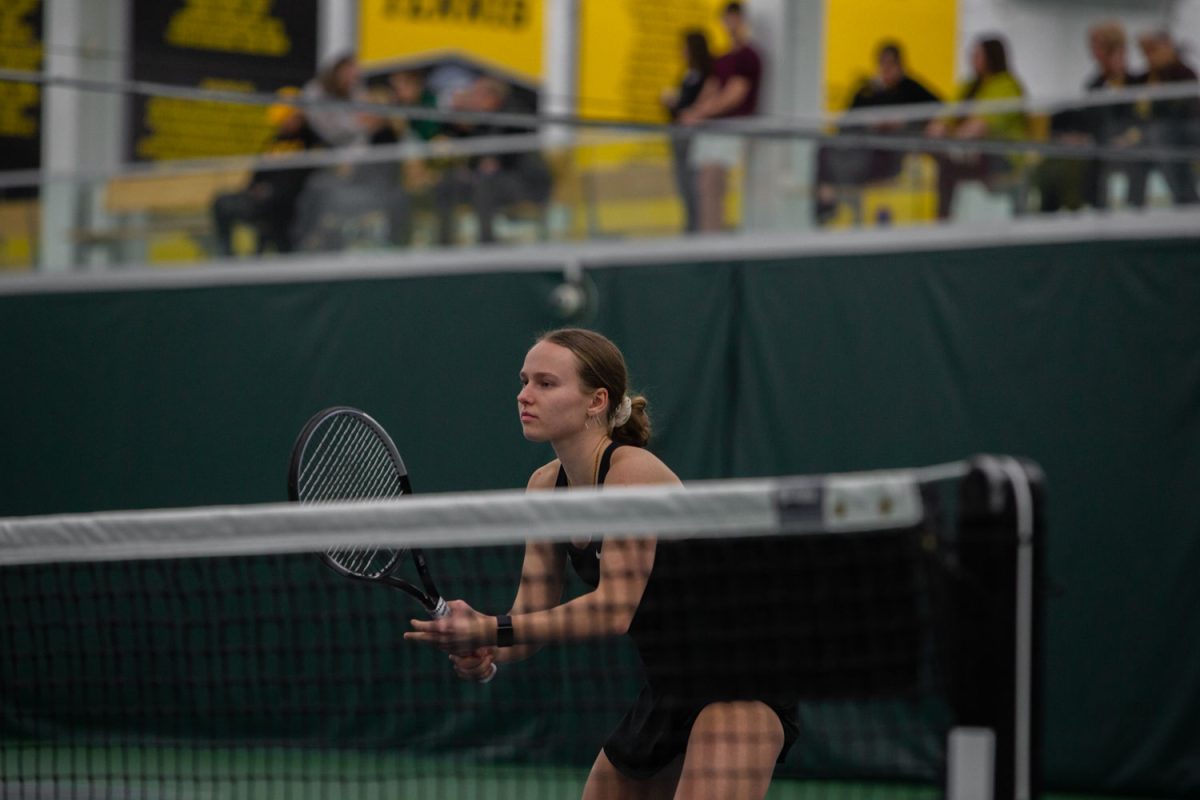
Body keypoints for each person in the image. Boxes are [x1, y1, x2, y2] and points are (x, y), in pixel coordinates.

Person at [405, 328, 799, 800]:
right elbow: (528, 616)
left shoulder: (631, 472)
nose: (524, 395)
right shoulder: (544, 487)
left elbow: (614, 610)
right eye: (524, 380)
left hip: (741, 679)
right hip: (670, 687)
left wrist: (491, 629)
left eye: (546, 383)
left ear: (596, 401)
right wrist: (489, 650)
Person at [813, 41, 941, 225]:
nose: (886, 70)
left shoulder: (910, 88)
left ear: (900, 66)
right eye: (883, 65)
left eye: (891, 65)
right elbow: (846, 122)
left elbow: (939, 109)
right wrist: (870, 122)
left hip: (886, 154)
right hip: (859, 147)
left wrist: (902, 122)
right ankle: (827, 200)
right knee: (825, 147)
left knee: (851, 160)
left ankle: (837, 193)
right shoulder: (867, 91)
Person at [432, 76, 552, 245]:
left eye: (476, 96)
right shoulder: (480, 122)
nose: (472, 101)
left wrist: (496, 163)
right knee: (447, 183)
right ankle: (443, 242)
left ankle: (486, 243)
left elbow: (514, 154)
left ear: (492, 97)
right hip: (488, 181)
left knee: (485, 184)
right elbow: (474, 157)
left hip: (521, 182)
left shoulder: (513, 116)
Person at [1036, 22, 1141, 212]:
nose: (1093, 51)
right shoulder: (1095, 83)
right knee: (1052, 163)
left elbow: (1130, 116)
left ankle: (1085, 208)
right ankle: (1056, 212)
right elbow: (1088, 117)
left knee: (1081, 163)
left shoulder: (1132, 82)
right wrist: (1075, 134)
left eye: (1098, 46)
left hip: (1120, 141)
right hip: (1096, 140)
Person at [679, 2, 764, 232]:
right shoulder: (723, 59)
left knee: (715, 184)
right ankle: (708, 234)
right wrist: (695, 112)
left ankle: (715, 237)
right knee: (705, 186)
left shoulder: (748, 56)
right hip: (713, 129)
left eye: (733, 19)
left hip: (731, 127)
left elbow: (733, 95)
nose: (729, 24)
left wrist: (700, 114)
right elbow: (712, 89)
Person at [926, 35, 1028, 219]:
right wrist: (941, 126)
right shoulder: (969, 86)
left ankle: (943, 217)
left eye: (978, 54)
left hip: (1000, 154)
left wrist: (952, 135)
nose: (973, 59)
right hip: (968, 152)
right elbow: (946, 117)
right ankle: (943, 217)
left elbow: (981, 126)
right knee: (943, 162)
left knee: (948, 166)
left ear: (991, 56)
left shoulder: (1006, 86)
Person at [210, 89, 322, 256]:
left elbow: (303, 178)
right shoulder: (274, 141)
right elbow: (257, 173)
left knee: (276, 225)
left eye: (288, 117)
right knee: (222, 202)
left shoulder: (310, 141)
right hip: (262, 201)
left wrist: (271, 190)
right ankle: (227, 256)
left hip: (289, 205)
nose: (284, 123)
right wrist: (253, 189)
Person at [1126, 31, 1200, 207]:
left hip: (1182, 131)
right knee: (1136, 149)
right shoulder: (1145, 78)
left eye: (1153, 50)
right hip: (1149, 135)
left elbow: (1185, 109)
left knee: (1162, 139)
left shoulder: (1183, 73)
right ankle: (1134, 205)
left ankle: (1186, 199)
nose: (1149, 56)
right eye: (1146, 52)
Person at [661, 30, 713, 233]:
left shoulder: (704, 76)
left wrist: (681, 107)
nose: (681, 51)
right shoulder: (688, 74)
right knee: (683, 184)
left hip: (692, 136)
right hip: (679, 133)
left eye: (685, 47)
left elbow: (693, 106)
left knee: (694, 184)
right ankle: (690, 225)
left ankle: (696, 227)